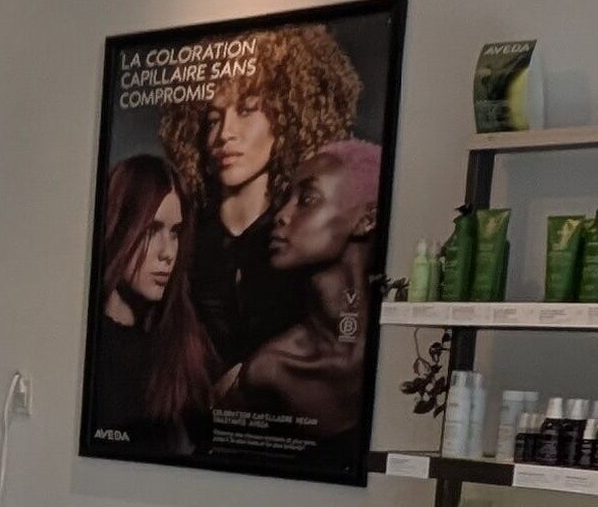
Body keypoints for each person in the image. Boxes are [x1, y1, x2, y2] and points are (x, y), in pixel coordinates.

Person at [159, 26, 361, 373]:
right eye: (212, 119)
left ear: (287, 118)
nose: (224, 134)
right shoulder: (182, 233)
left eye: (247, 110)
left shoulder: (305, 239)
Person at [215, 138, 381, 465]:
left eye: (306, 199)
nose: (281, 215)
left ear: (367, 220)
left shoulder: (401, 347)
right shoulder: (271, 367)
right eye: (285, 199)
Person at [86, 155, 216, 457]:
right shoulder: (86, 345)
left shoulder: (186, 346)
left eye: (175, 233)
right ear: (119, 227)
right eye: (151, 230)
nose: (167, 252)